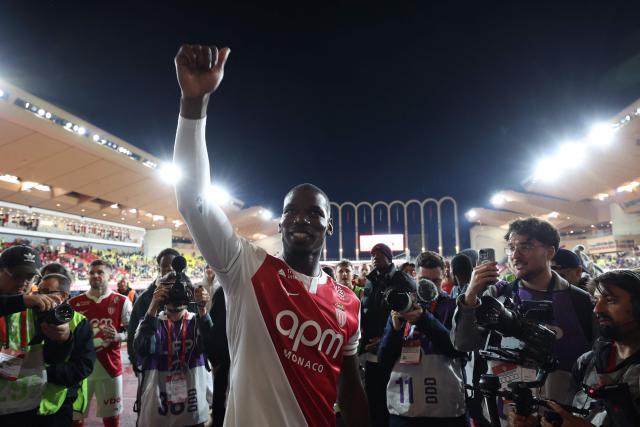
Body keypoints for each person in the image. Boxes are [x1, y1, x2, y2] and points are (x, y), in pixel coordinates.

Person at [173, 43, 368, 426]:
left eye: (314, 213)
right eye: (291, 211)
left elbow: (349, 386)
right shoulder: (245, 268)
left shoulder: (348, 303)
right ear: (279, 223)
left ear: (328, 226)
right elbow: (194, 200)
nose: (301, 219)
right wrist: (193, 105)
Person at [451, 218, 595, 422]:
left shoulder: (580, 302)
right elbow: (464, 343)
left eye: (525, 246)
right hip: (503, 418)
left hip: (564, 418)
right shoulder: (495, 298)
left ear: (550, 252)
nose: (515, 256)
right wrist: (470, 296)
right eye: (510, 248)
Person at [508, 269, 640, 427]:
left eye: (610, 300)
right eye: (595, 301)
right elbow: (574, 417)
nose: (597, 309)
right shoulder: (587, 362)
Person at [378, 276, 467, 427]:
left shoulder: (453, 307)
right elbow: (384, 359)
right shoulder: (400, 310)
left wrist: (424, 319)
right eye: (424, 280)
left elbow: (457, 350)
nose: (428, 287)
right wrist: (395, 331)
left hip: (447, 412)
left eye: (435, 281)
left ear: (443, 278)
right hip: (405, 411)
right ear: (415, 279)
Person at [0, 246, 69, 426]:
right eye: (17, 275)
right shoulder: (28, 301)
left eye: (30, 277)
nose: (24, 282)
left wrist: (63, 339)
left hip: (29, 406)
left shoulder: (38, 308)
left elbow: (55, 358)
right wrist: (21, 301)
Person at [134, 271, 213, 426]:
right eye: (168, 290)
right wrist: (152, 306)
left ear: (188, 292)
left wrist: (203, 309)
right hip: (157, 415)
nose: (175, 294)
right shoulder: (151, 323)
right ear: (159, 293)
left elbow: (212, 348)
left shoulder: (197, 322)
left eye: (180, 288)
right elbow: (142, 349)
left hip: (193, 414)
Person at [69, 259, 132, 427]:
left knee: (111, 418)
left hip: (110, 368)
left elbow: (132, 332)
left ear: (110, 276)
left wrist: (119, 337)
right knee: (75, 416)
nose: (95, 275)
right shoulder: (74, 304)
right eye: (92, 272)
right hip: (81, 368)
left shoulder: (122, 301)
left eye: (100, 272)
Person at [360, 243, 416, 427]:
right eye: (372, 254)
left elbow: (411, 316)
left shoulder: (403, 280)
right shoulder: (370, 280)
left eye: (379, 253)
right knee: (373, 401)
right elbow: (366, 313)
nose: (374, 257)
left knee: (393, 402)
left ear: (389, 257)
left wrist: (386, 339)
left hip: (394, 353)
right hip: (371, 352)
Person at [35, 263, 96, 426]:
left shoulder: (79, 323)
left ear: (63, 296)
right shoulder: (26, 315)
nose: (41, 296)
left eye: (47, 292)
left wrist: (43, 373)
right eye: (39, 291)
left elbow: (83, 367)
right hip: (21, 403)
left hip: (60, 405)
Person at [127, 247, 180, 373]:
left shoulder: (189, 296)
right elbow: (132, 333)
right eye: (165, 266)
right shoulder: (144, 299)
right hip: (152, 368)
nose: (170, 269)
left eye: (174, 265)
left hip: (183, 365)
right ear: (159, 269)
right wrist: (136, 362)